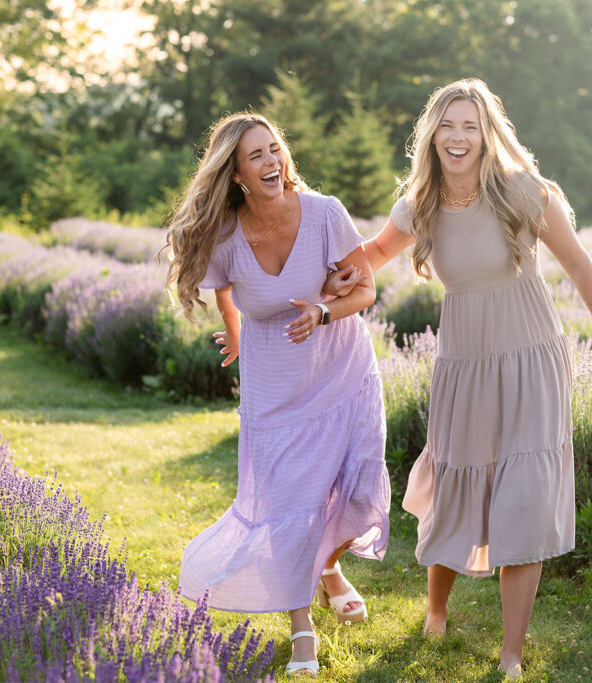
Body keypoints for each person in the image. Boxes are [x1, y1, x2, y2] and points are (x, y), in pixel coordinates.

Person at [325, 78, 592, 679]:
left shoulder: (524, 194)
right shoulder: (420, 204)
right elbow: (374, 254)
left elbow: (578, 263)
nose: (458, 137)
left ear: (488, 134)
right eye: (447, 125)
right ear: (432, 136)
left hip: (531, 358)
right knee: (456, 482)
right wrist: (312, 281)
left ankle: (512, 655)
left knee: (524, 494)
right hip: (465, 364)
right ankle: (436, 612)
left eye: (470, 125)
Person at [163, 112, 390, 677]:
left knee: (359, 491)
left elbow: (365, 288)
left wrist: (322, 309)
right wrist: (237, 334)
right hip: (275, 391)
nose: (272, 162)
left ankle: (329, 569)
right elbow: (227, 295)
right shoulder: (224, 235)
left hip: (343, 372)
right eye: (257, 156)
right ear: (236, 174)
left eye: (275, 150)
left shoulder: (324, 213)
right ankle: (302, 631)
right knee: (289, 507)